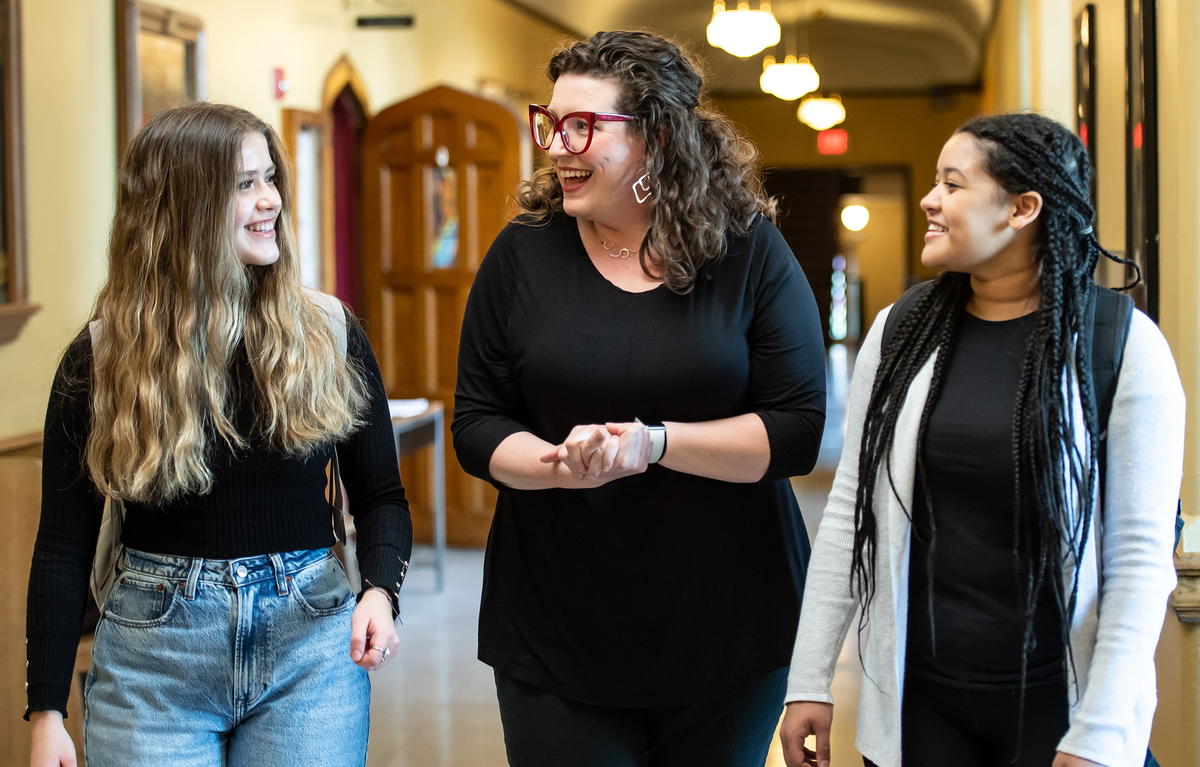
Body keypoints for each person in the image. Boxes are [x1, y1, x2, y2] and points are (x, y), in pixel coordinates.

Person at [451, 30, 827, 767]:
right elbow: (476, 419)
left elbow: (796, 429)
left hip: (727, 622)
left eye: (583, 126)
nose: (558, 145)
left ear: (656, 135)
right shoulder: (523, 253)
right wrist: (559, 464)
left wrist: (654, 443)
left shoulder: (747, 249)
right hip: (557, 624)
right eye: (551, 122)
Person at [779, 113, 1185, 767]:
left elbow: (1139, 561)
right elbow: (852, 511)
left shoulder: (1120, 346)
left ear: (1023, 207)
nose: (929, 200)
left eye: (953, 183)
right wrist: (809, 678)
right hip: (922, 708)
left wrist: (1100, 733)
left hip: (1065, 707)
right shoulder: (902, 330)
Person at [26, 102, 412, 767]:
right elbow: (63, 544)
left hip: (310, 646)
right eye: (243, 185)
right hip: (154, 666)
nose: (270, 202)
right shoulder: (102, 357)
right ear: (181, 208)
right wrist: (47, 712)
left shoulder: (328, 331)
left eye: (270, 178)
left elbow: (381, 494)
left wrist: (379, 590)